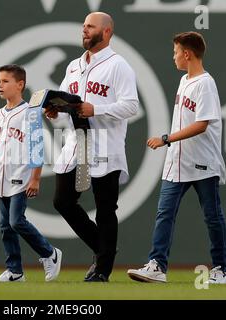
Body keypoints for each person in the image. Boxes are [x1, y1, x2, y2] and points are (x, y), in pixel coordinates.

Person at [127, 31, 226, 284]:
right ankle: (157, 266)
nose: (173, 56)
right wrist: (171, 146)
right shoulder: (185, 80)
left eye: (176, 52)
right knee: (165, 213)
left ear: (187, 53)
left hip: (203, 163)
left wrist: (166, 139)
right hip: (177, 163)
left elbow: (202, 124)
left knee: (212, 216)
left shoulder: (205, 83)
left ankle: (221, 270)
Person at [44, 12, 139, 282]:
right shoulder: (74, 66)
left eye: (91, 27)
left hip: (105, 144)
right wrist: (56, 111)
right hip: (77, 143)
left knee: (105, 207)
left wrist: (95, 108)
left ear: (107, 32)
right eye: (83, 26)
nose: (84, 30)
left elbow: (131, 105)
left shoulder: (118, 65)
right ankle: (103, 248)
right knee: (62, 201)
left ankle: (102, 269)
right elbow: (67, 102)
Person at [0, 64, 62, 282]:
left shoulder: (30, 112)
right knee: (4, 225)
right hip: (1, 179)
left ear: (20, 84)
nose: (0, 85)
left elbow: (37, 146)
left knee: (16, 221)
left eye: (5, 81)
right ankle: (15, 271)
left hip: (21, 176)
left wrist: (36, 178)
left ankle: (50, 253)